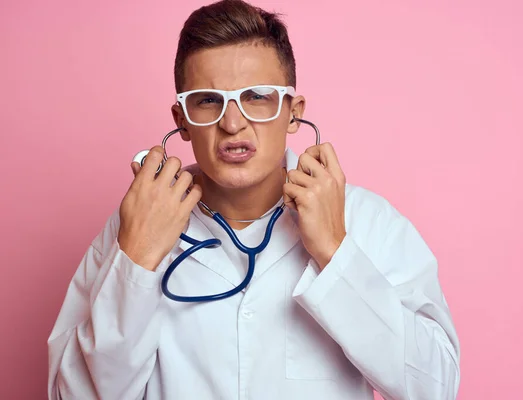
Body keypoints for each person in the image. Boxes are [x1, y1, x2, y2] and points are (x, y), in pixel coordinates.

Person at [47, 0, 460, 398]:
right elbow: (74, 396)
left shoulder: (369, 222)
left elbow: (435, 389)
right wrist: (135, 260)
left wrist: (336, 253)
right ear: (182, 121)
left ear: (293, 112)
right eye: (207, 101)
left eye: (257, 96)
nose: (232, 123)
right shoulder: (134, 226)